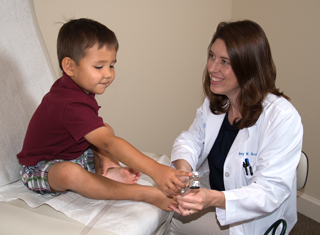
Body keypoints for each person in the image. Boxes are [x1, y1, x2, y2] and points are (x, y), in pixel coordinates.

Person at [17, 18, 191, 211]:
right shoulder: (68, 102)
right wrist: (157, 171)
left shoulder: (77, 89)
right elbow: (109, 143)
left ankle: (106, 168)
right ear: (69, 66)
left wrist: (105, 156)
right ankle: (144, 193)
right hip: (42, 168)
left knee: (103, 129)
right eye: (99, 67)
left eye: (112, 65)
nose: (108, 74)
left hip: (74, 155)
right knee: (72, 172)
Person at [169, 20, 303, 234]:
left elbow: (269, 192)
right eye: (212, 56)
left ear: (249, 66)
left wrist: (212, 198)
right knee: (160, 198)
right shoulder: (218, 102)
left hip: (250, 219)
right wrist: (185, 171)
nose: (212, 67)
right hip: (213, 194)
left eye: (225, 61)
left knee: (166, 218)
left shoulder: (282, 117)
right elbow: (191, 140)